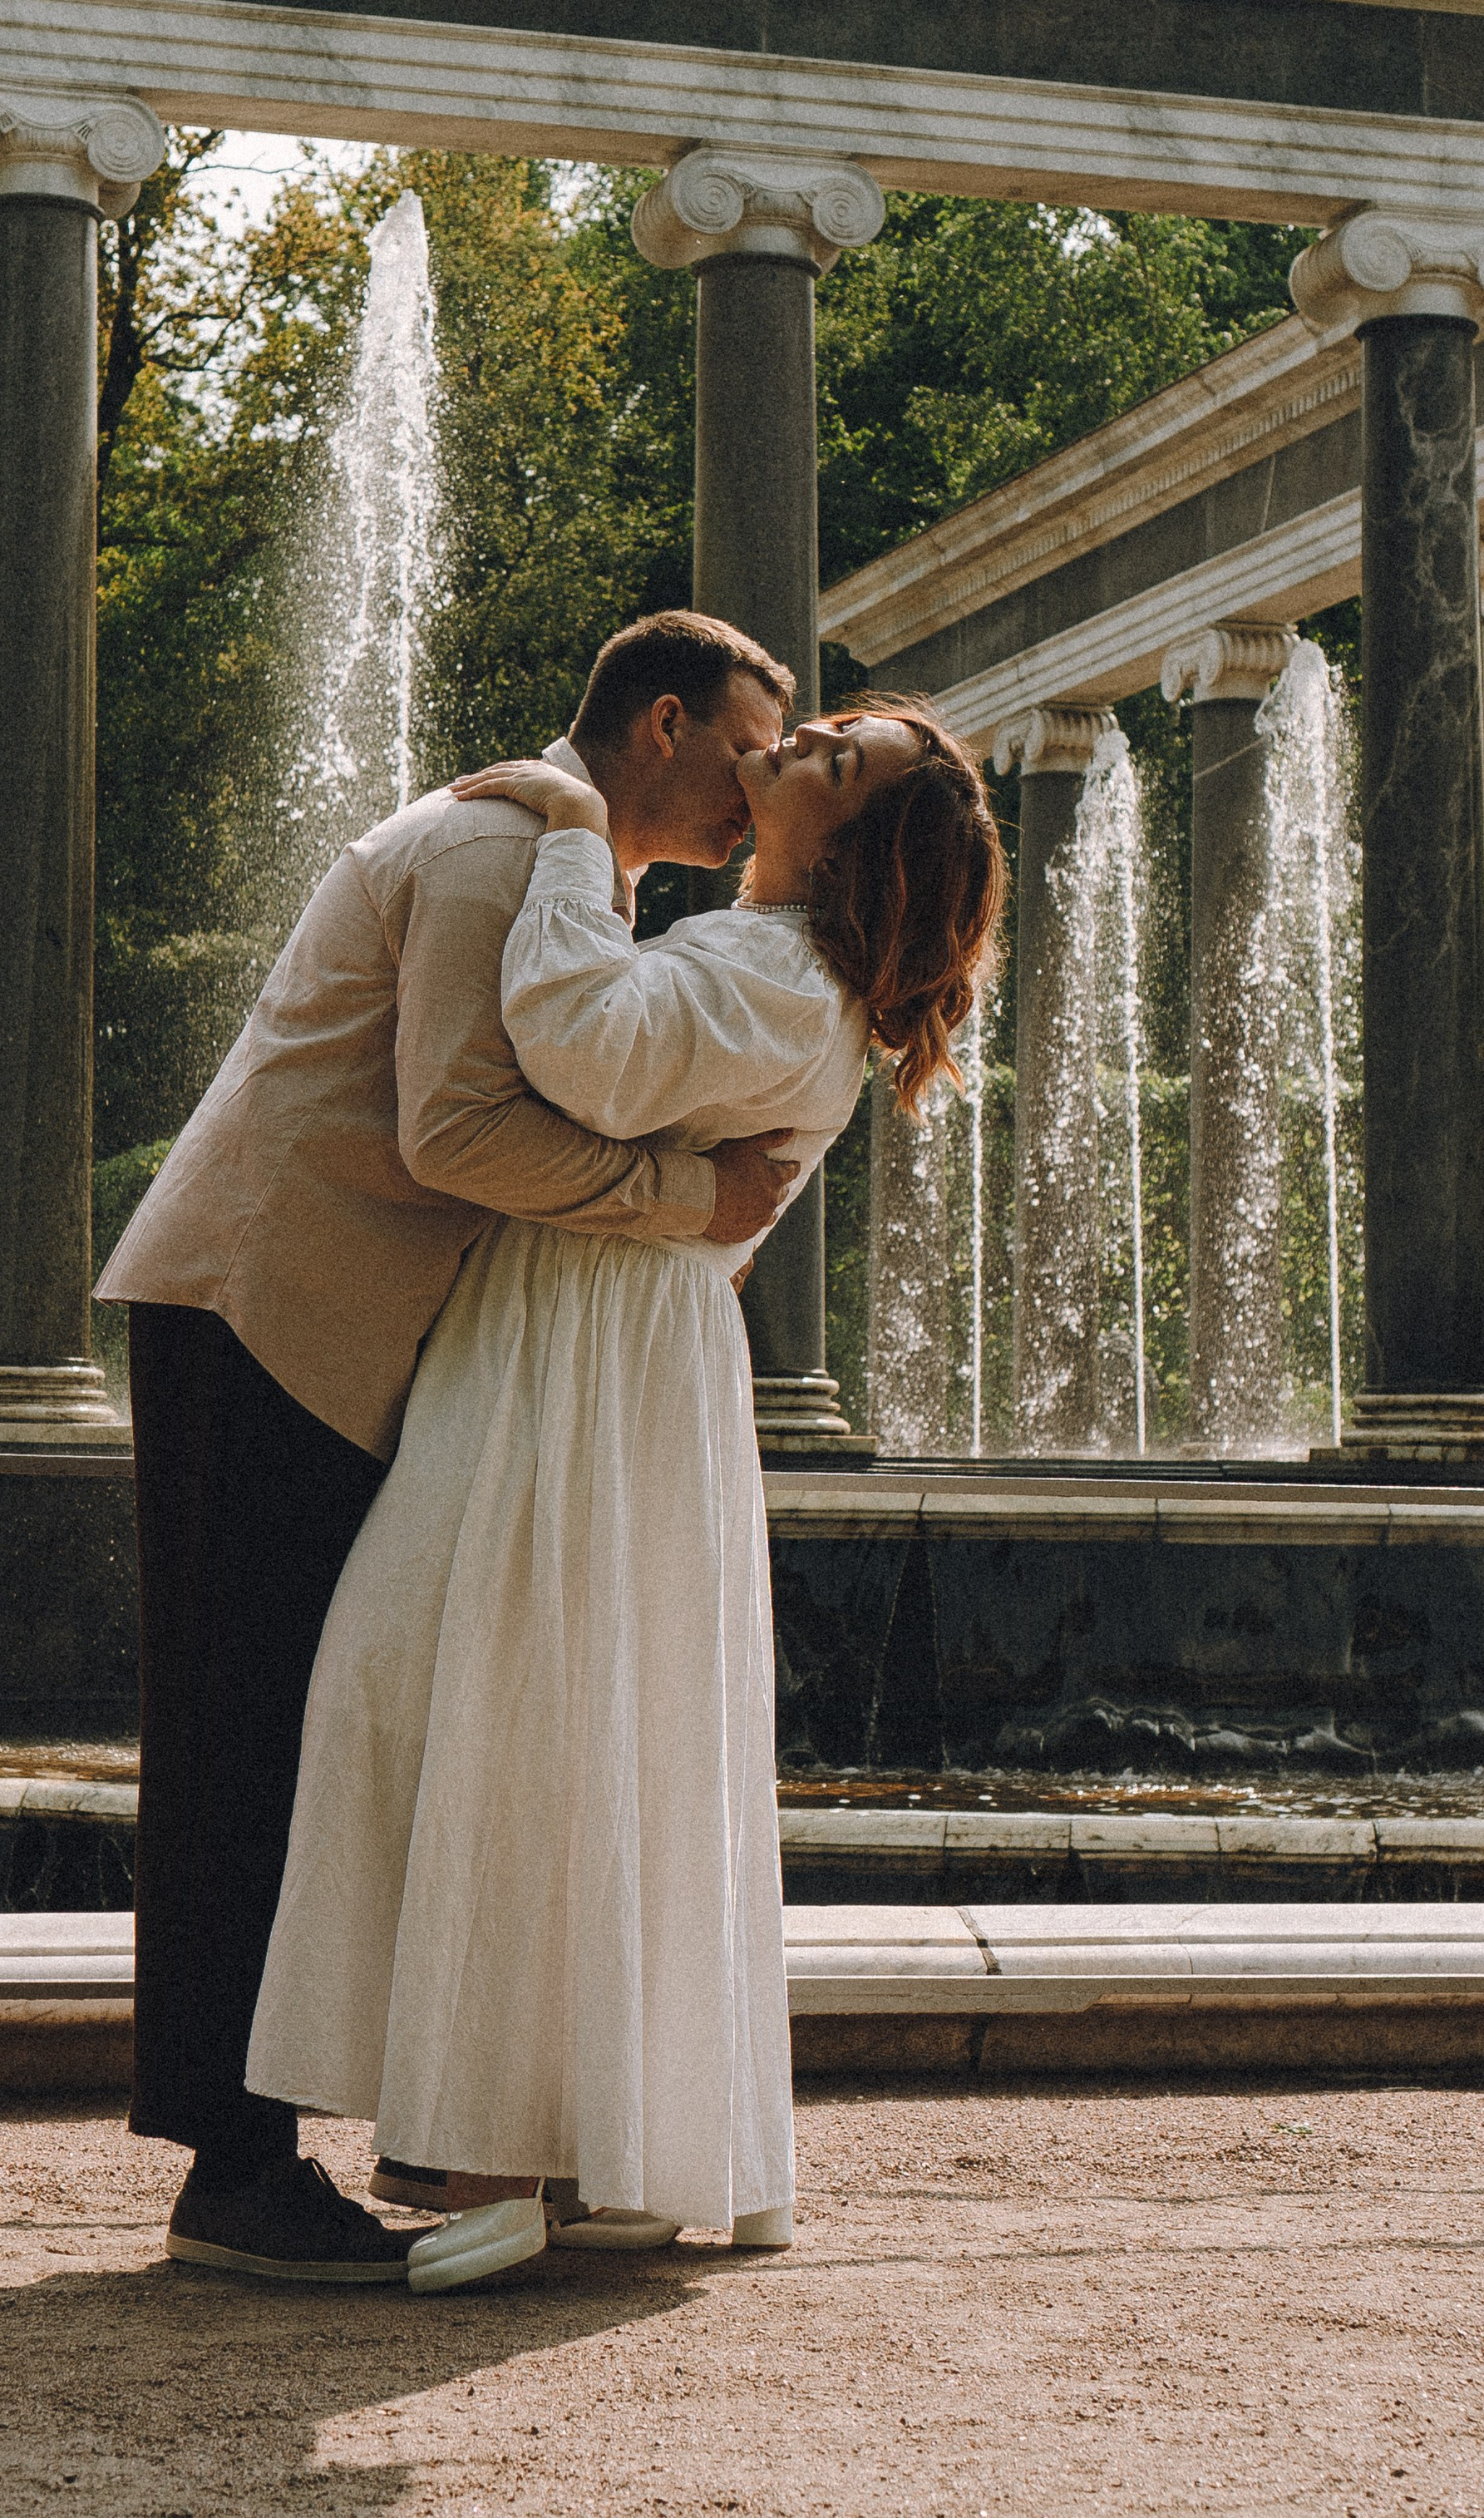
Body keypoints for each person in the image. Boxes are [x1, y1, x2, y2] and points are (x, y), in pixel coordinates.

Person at [246, 694, 1005, 2289]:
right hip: (601, 1343)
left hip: (579, 1351)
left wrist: (577, 828)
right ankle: (607, 2140)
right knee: (556, 1714)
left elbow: (576, 1037)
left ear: (854, 845)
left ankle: (501, 2151)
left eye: (837, 760)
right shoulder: (773, 966)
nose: (801, 742)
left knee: (473, 1698)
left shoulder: (774, 971)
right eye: (827, 727)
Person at [94, 610, 806, 2283]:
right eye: (746, 750)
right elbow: (458, 1131)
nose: (761, 790)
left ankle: (291, 2142)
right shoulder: (499, 848)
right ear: (658, 725)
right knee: (247, 1732)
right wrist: (690, 1199)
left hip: (306, 1320)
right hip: (264, 1307)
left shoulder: (563, 861)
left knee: (305, 1719)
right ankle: (233, 2171)